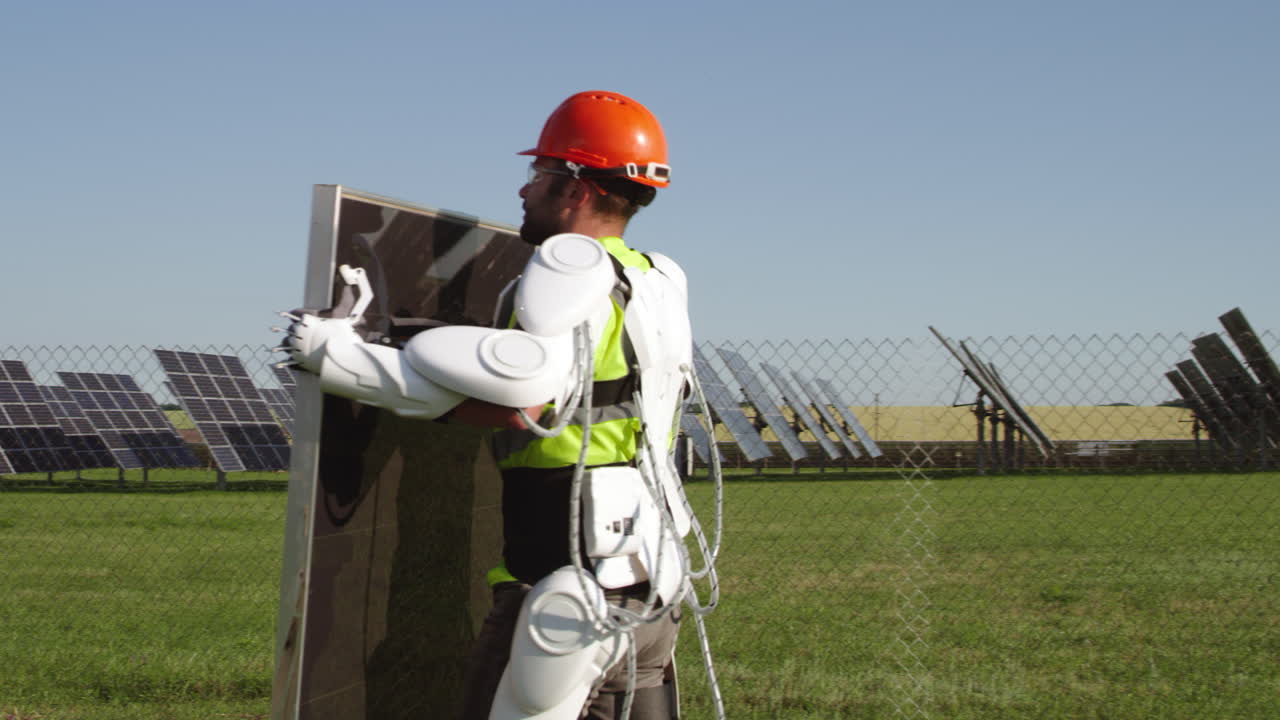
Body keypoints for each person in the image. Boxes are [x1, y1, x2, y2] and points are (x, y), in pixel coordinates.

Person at [282, 90, 696, 720]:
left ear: (576, 188)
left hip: (561, 587)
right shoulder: (656, 279)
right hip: (650, 578)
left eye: (539, 175)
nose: (525, 191)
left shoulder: (562, 279)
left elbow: (519, 406)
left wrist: (338, 358)